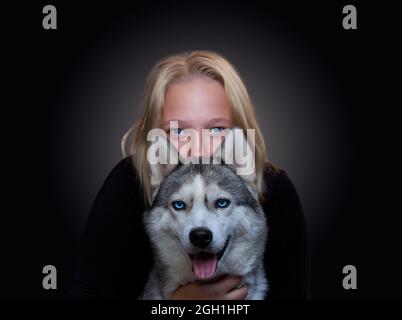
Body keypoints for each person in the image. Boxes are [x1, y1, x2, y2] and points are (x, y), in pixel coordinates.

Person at [67, 50, 310, 300]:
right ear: (156, 137)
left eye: (217, 128)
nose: (199, 148)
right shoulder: (127, 181)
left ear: (239, 135)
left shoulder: (276, 187)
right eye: (178, 131)